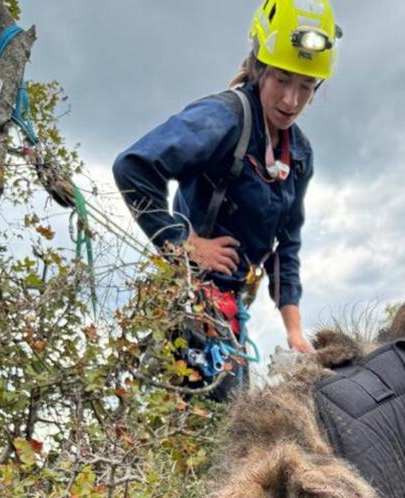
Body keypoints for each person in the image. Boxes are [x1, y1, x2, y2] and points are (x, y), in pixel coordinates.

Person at [113, 0, 341, 396]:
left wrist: (294, 330)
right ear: (259, 69)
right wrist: (184, 243)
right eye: (282, 79)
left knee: (233, 415)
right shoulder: (223, 118)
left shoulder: (298, 155)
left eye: (305, 86)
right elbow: (133, 167)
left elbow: (286, 244)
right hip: (189, 299)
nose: (292, 100)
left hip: (232, 305)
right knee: (216, 424)